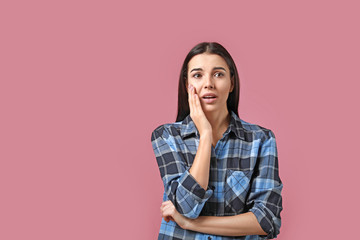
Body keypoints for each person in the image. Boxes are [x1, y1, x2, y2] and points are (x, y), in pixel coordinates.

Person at [150, 42, 283, 240]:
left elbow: (267, 220)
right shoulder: (166, 136)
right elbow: (187, 206)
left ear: (232, 83)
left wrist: (190, 223)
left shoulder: (261, 140)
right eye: (197, 75)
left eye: (218, 74)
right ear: (187, 85)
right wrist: (205, 135)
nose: (208, 83)